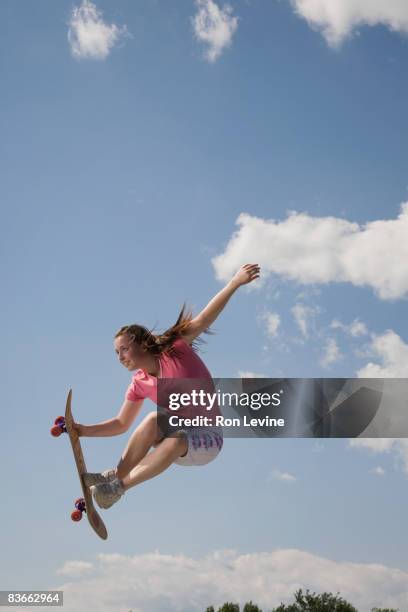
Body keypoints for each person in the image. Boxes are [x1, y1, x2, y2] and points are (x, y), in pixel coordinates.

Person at [75, 263, 261, 509]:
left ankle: (117, 489)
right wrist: (81, 430)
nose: (120, 357)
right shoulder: (139, 382)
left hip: (206, 439)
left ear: (141, 344)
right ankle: (115, 475)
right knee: (154, 421)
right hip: (175, 436)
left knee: (175, 435)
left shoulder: (175, 349)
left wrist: (235, 282)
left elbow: (205, 318)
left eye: (124, 349)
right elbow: (121, 423)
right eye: (116, 353)